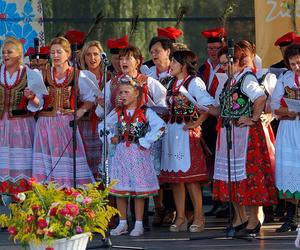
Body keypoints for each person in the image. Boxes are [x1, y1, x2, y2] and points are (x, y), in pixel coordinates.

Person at [213, 44, 277, 236]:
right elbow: (223, 108)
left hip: (246, 135)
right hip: (231, 133)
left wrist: (253, 119)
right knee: (233, 176)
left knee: (249, 176)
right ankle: (240, 217)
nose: (224, 68)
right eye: (222, 64)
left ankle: (254, 219)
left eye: (227, 63)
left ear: (239, 61)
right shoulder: (231, 81)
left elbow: (259, 98)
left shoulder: (247, 78)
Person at [99, 75, 166, 237]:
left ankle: (138, 224)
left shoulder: (145, 111)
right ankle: (122, 223)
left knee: (138, 191)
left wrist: (145, 141)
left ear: (136, 93)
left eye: (126, 92)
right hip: (121, 154)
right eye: (120, 92)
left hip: (139, 155)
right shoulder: (117, 112)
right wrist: (110, 138)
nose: (121, 95)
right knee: (121, 189)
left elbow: (161, 127)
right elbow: (103, 126)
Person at [160, 49, 217, 233]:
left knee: (191, 178)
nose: (171, 65)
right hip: (172, 132)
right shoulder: (171, 83)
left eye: (174, 62)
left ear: (183, 64)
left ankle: (199, 217)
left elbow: (208, 105)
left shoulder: (194, 82)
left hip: (186, 134)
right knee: (176, 178)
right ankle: (181, 216)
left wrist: (197, 122)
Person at [32, 37, 95, 187]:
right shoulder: (43, 74)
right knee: (47, 165)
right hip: (45, 125)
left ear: (68, 54)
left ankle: (70, 199)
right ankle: (48, 201)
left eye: (59, 52)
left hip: (67, 125)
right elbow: (38, 102)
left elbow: (90, 99)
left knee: (69, 162)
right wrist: (32, 97)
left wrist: (79, 113)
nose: (55, 56)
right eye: (52, 52)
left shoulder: (78, 75)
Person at [0, 37, 45, 203]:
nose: (5, 55)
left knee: (22, 166)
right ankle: (8, 211)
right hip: (2, 125)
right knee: (3, 165)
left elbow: (39, 104)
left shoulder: (31, 74)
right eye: (3, 52)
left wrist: (32, 97)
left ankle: (24, 209)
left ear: (19, 55)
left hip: (22, 126)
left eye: (9, 52)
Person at [197, 27, 227, 217]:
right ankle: (217, 199)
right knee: (211, 161)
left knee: (223, 160)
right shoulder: (203, 67)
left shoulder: (226, 68)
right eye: (210, 49)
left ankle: (226, 202)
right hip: (207, 119)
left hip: (222, 119)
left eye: (216, 49)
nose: (213, 53)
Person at [271, 42, 300, 233]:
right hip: (289, 128)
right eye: (292, 64)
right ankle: (291, 217)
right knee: (290, 170)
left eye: (298, 62)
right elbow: (273, 104)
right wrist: (287, 111)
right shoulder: (284, 79)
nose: (296, 67)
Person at [78, 40, 105, 178]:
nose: (92, 58)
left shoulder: (109, 77)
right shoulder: (78, 76)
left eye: (96, 54)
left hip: (105, 125)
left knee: (104, 163)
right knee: (87, 162)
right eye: (88, 54)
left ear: (101, 56)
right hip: (85, 124)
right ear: (84, 57)